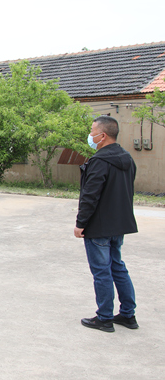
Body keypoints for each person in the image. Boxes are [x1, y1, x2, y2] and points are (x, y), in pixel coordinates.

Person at [76, 116, 139, 333]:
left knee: (102, 272)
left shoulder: (99, 161)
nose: (90, 135)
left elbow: (90, 195)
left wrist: (81, 223)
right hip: (119, 224)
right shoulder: (127, 158)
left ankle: (104, 318)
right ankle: (128, 314)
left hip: (99, 226)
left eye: (92, 131)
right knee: (117, 267)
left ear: (102, 136)